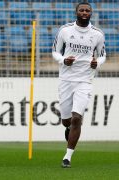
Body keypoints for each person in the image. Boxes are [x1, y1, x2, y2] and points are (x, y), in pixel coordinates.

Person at [52, 2, 106, 168]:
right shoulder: (65, 30)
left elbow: (103, 55)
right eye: (81, 10)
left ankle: (67, 157)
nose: (84, 12)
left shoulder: (97, 34)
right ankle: (68, 129)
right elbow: (55, 51)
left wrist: (97, 62)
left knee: (77, 118)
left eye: (87, 10)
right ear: (76, 12)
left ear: (91, 13)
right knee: (66, 121)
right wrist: (63, 60)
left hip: (85, 80)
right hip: (66, 80)